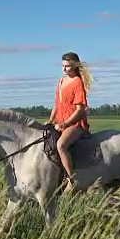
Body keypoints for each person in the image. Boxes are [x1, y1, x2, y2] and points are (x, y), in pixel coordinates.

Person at [47, 51, 93, 191]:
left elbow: (80, 110)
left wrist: (65, 123)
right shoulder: (61, 81)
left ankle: (71, 180)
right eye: (63, 66)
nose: (64, 69)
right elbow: (57, 103)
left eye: (67, 66)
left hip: (74, 123)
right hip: (60, 122)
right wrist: (50, 120)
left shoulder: (78, 82)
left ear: (74, 66)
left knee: (61, 145)